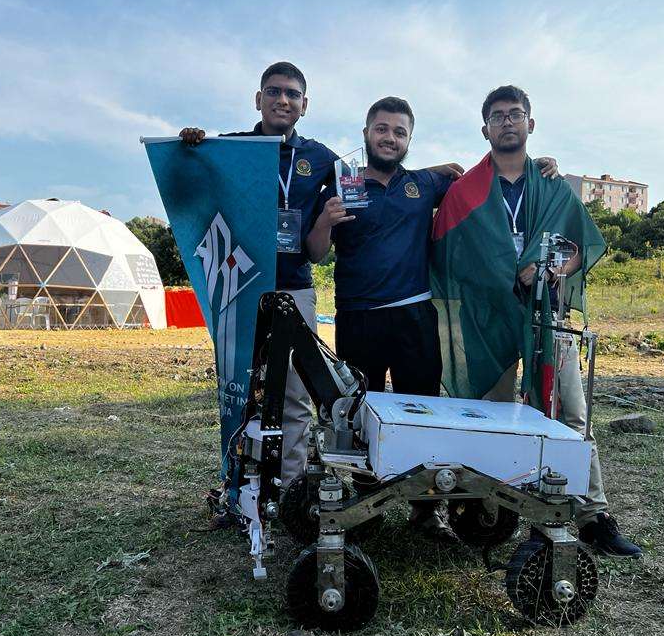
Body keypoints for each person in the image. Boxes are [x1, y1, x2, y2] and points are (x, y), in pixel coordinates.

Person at [179, 64, 462, 507]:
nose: (283, 100)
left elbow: (318, 248)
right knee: (239, 391)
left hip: (299, 289)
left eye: (292, 94)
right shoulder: (232, 148)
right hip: (240, 285)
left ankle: (294, 498)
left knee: (298, 399)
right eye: (274, 92)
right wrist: (192, 144)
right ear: (259, 99)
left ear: (305, 105)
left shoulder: (327, 162)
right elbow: (191, 175)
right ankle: (237, 492)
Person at [306, 96, 560, 542]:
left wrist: (530, 167)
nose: (390, 138)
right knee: (359, 415)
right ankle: (366, 506)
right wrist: (325, 222)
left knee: (424, 414)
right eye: (382, 129)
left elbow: (484, 186)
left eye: (399, 132)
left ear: (409, 140)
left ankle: (427, 512)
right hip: (357, 317)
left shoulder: (425, 184)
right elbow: (314, 252)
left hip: (415, 316)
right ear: (366, 134)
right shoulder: (339, 187)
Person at [430, 85, 642, 557]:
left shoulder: (552, 184)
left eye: (516, 114)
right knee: (492, 414)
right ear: (485, 128)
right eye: (498, 116)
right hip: (489, 323)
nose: (508, 122)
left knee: (570, 411)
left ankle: (592, 514)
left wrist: (552, 270)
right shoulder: (464, 191)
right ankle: (486, 509)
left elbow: (574, 249)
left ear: (531, 123)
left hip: (549, 316)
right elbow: (447, 255)